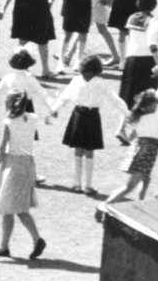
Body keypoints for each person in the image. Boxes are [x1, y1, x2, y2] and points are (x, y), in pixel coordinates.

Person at [0, 92, 47, 260]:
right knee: (19, 207)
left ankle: (6, 245)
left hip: (13, 164)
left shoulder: (8, 122)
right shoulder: (33, 118)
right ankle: (28, 241)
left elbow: (3, 147)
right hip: (28, 163)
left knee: (8, 207)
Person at [51, 55, 130, 194]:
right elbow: (115, 99)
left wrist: (55, 109)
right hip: (92, 116)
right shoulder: (100, 82)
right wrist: (128, 113)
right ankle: (87, 186)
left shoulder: (77, 80)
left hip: (78, 116)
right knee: (89, 151)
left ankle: (77, 184)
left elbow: (65, 96)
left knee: (78, 149)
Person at [100, 90, 158, 206]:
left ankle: (140, 204)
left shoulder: (139, 118)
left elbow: (131, 137)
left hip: (141, 152)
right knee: (129, 186)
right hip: (147, 154)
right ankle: (104, 205)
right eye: (154, 104)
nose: (157, 106)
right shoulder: (156, 117)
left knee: (146, 179)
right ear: (148, 106)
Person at [118, 0, 158, 105]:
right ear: (154, 5)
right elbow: (151, 43)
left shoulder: (131, 18)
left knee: (128, 99)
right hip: (146, 63)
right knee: (146, 102)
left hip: (131, 60)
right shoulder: (153, 21)